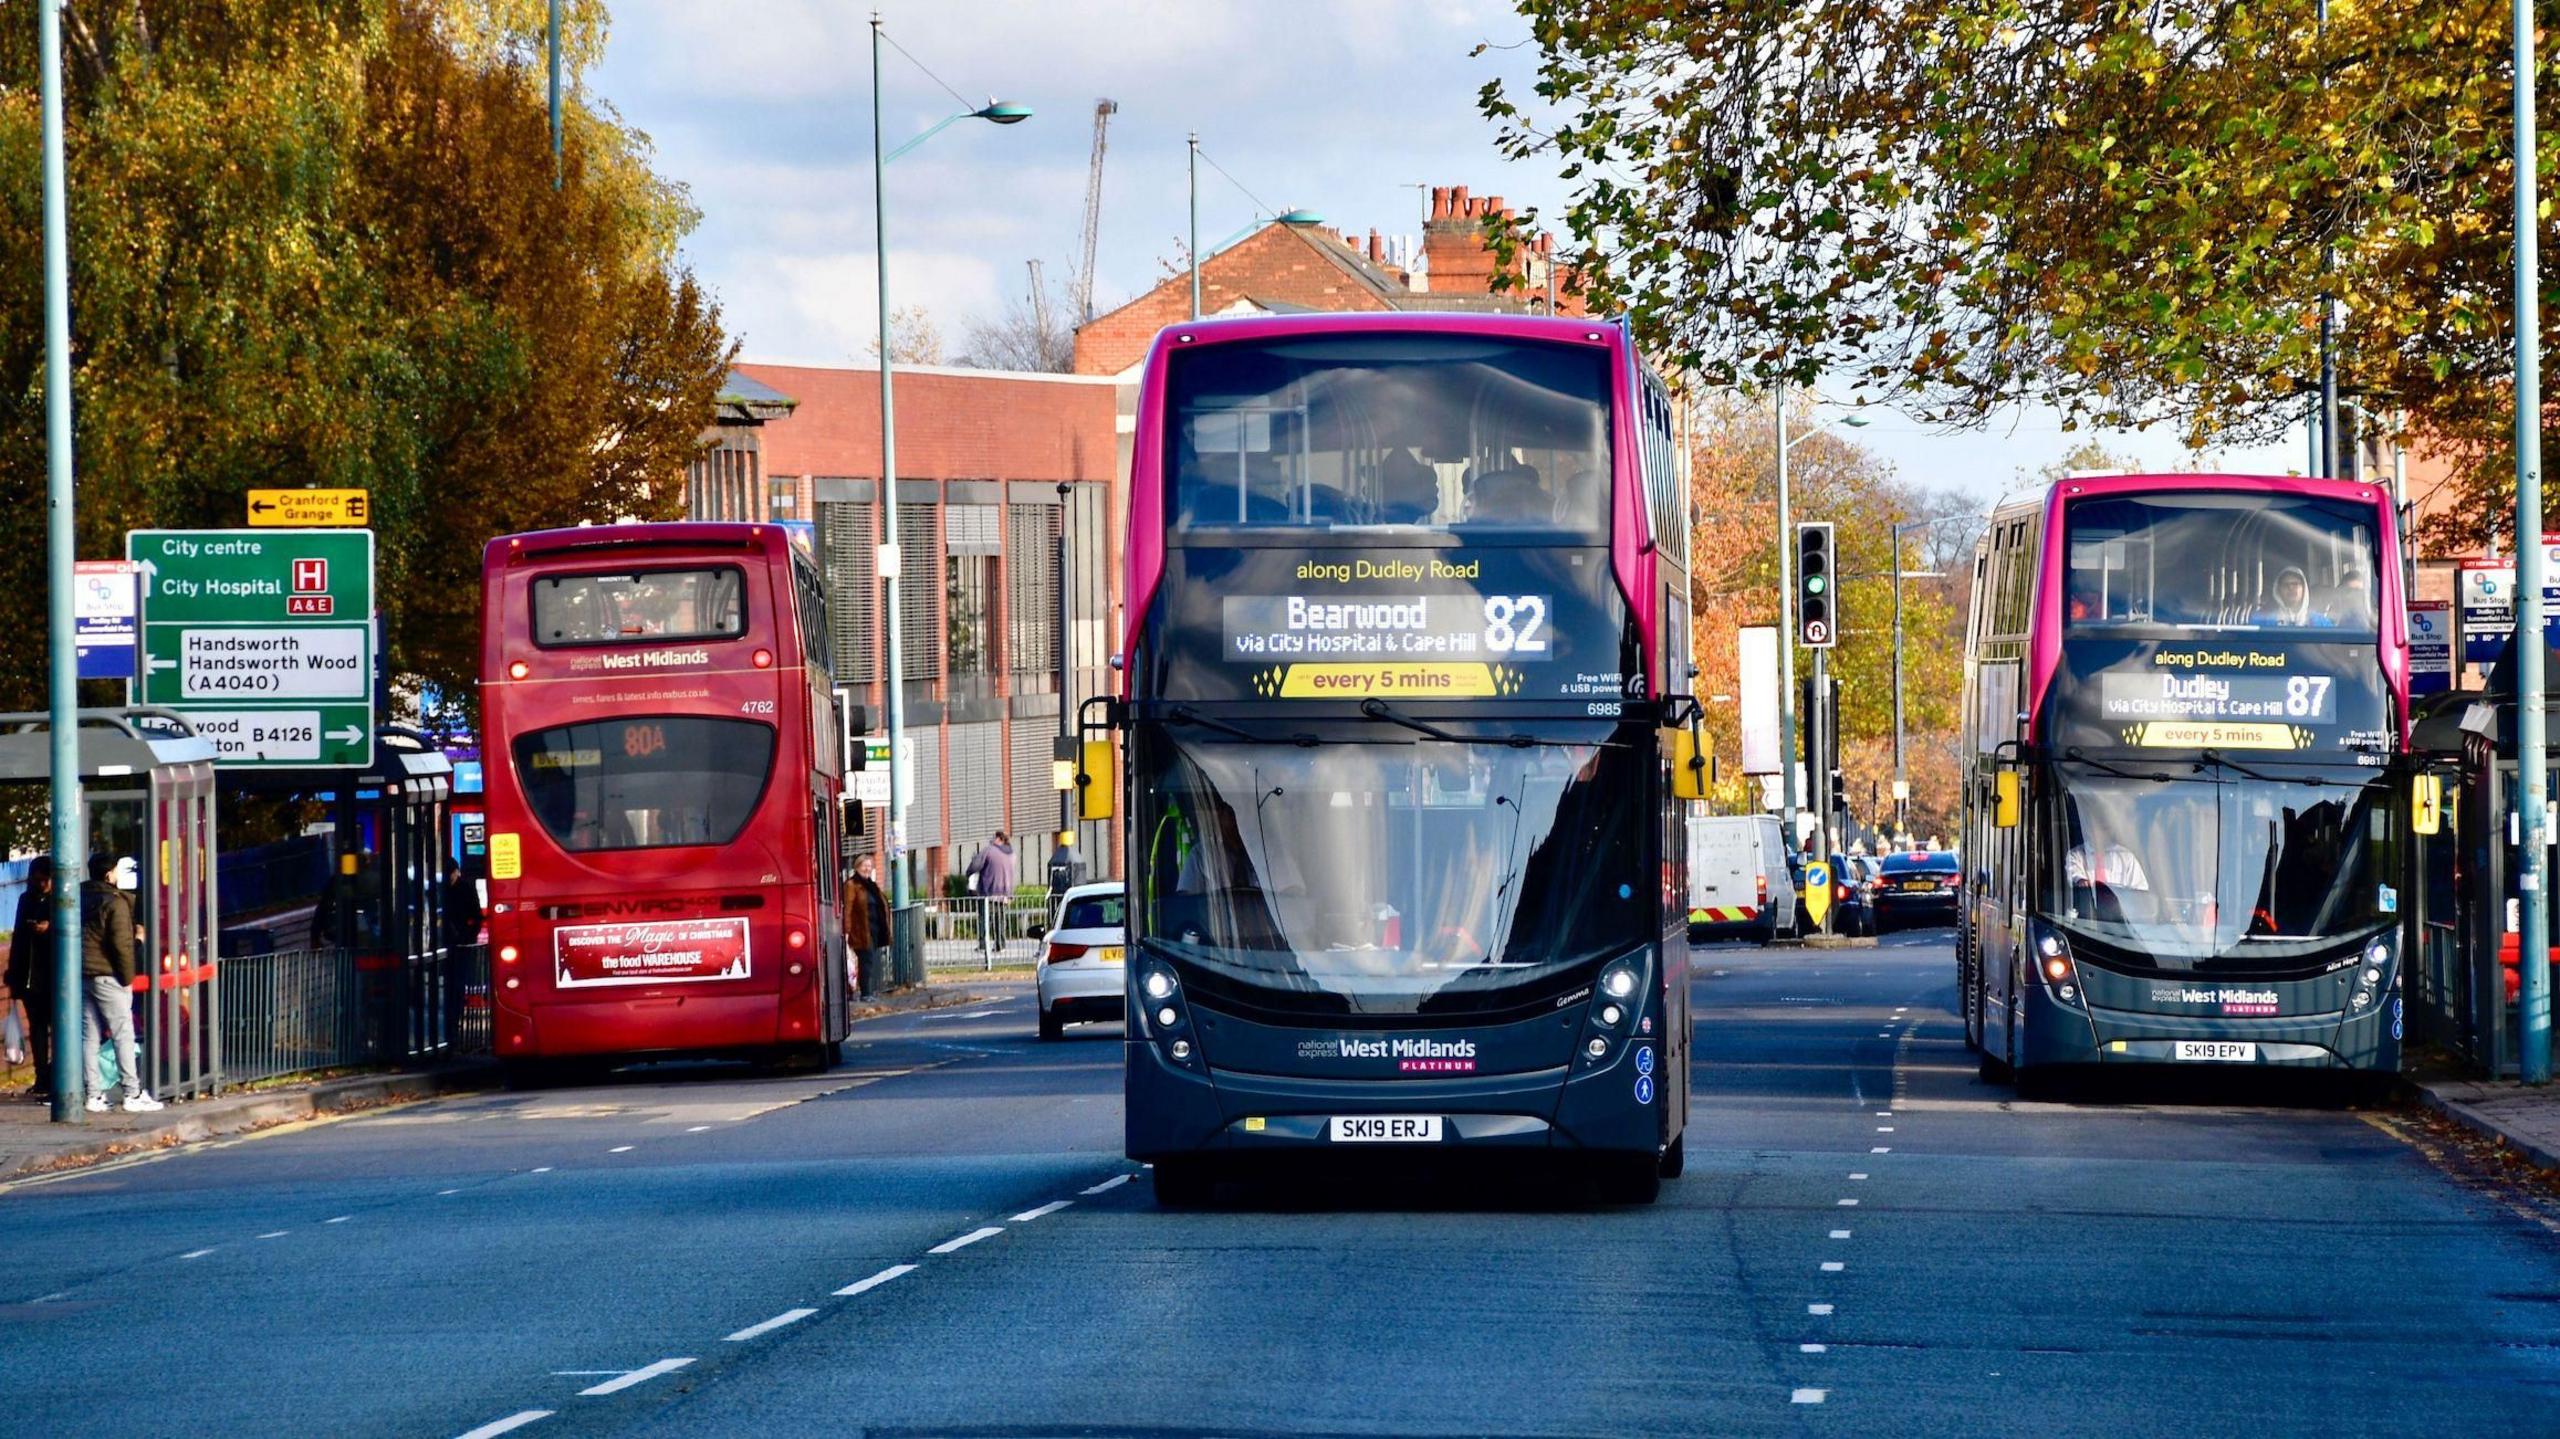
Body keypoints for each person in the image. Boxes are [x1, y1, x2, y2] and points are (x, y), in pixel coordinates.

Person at [80, 854, 158, 1113]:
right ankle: (132, 1093)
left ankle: (93, 1095)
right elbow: (121, 946)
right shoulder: (116, 903)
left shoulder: (79, 897)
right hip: (108, 974)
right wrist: (129, 971)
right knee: (123, 1034)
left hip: (82, 974)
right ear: (108, 875)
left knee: (88, 1036)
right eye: (114, 871)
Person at [7, 858, 54, 1100]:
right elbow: (18, 939)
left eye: (46, 879)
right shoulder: (26, 900)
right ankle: (42, 1077)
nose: (43, 884)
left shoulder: (61, 901)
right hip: (30, 976)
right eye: (38, 880)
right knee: (37, 1029)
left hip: (55, 976)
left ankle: (57, 1077)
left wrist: (51, 927)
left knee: (58, 1028)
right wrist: (13, 976)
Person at [847, 853, 889, 999]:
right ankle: (865, 993)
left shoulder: (871, 886)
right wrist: (847, 931)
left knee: (869, 962)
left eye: (870, 866)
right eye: (864, 866)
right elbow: (848, 908)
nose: (867, 869)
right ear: (857, 867)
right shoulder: (852, 885)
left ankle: (867, 991)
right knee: (866, 961)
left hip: (873, 930)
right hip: (860, 931)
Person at [2255, 566, 2320, 626]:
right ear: (2278, 590)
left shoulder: (2320, 622)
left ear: (2304, 588)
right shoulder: (2262, 620)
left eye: (2295, 584)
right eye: (2285, 585)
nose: (2290, 588)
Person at [965, 830, 1019, 901]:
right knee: (1000, 912)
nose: (992, 840)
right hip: (1006, 895)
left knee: (987, 911)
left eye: (994, 837)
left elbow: (974, 866)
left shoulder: (989, 850)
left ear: (999, 839)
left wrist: (968, 874)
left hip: (989, 894)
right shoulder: (1012, 855)